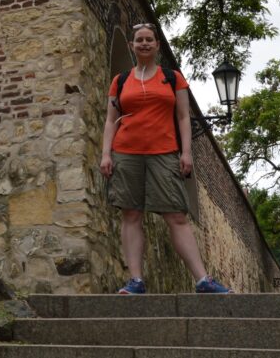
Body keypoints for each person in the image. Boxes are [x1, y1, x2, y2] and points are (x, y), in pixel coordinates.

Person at [100, 23, 233, 294]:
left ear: (157, 45)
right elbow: (110, 120)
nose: (145, 43)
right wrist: (106, 154)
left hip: (164, 152)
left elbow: (184, 117)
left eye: (150, 39)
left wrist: (186, 152)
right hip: (126, 152)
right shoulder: (121, 80)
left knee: (176, 215)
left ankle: (202, 280)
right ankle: (136, 280)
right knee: (131, 214)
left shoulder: (173, 78)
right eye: (139, 40)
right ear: (132, 45)